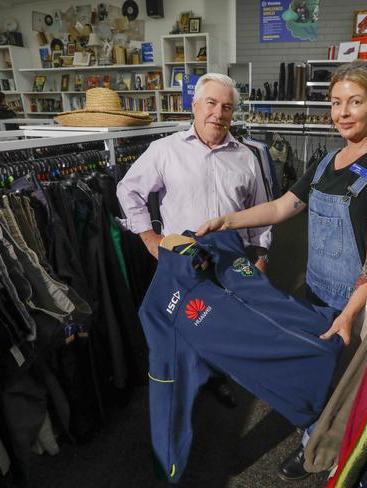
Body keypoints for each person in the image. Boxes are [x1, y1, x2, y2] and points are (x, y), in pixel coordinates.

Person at [197, 60, 367, 481]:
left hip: (353, 303)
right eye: (336, 103)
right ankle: (316, 436)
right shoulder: (328, 159)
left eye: (355, 102)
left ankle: (321, 452)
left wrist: (349, 315)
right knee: (313, 377)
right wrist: (227, 220)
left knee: (339, 388)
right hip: (316, 292)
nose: (343, 113)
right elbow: (281, 207)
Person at [116, 72, 272, 407]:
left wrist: (260, 255)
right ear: (195, 105)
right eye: (212, 103)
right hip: (184, 260)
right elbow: (128, 190)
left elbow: (260, 209)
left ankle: (217, 376)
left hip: (232, 259)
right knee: (185, 323)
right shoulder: (164, 151)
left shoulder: (246, 156)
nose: (219, 113)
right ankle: (187, 382)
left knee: (226, 323)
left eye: (227, 107)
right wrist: (148, 238)